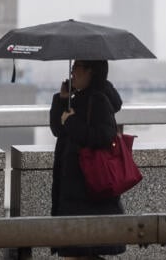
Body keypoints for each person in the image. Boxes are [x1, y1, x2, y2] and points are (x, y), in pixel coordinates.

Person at [49, 59, 126, 259]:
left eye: (78, 67)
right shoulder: (80, 98)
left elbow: (104, 136)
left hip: (86, 190)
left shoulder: (98, 100)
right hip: (74, 190)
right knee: (74, 253)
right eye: (73, 66)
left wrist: (72, 121)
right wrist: (62, 99)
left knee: (76, 253)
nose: (72, 71)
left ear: (91, 71)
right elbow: (58, 130)